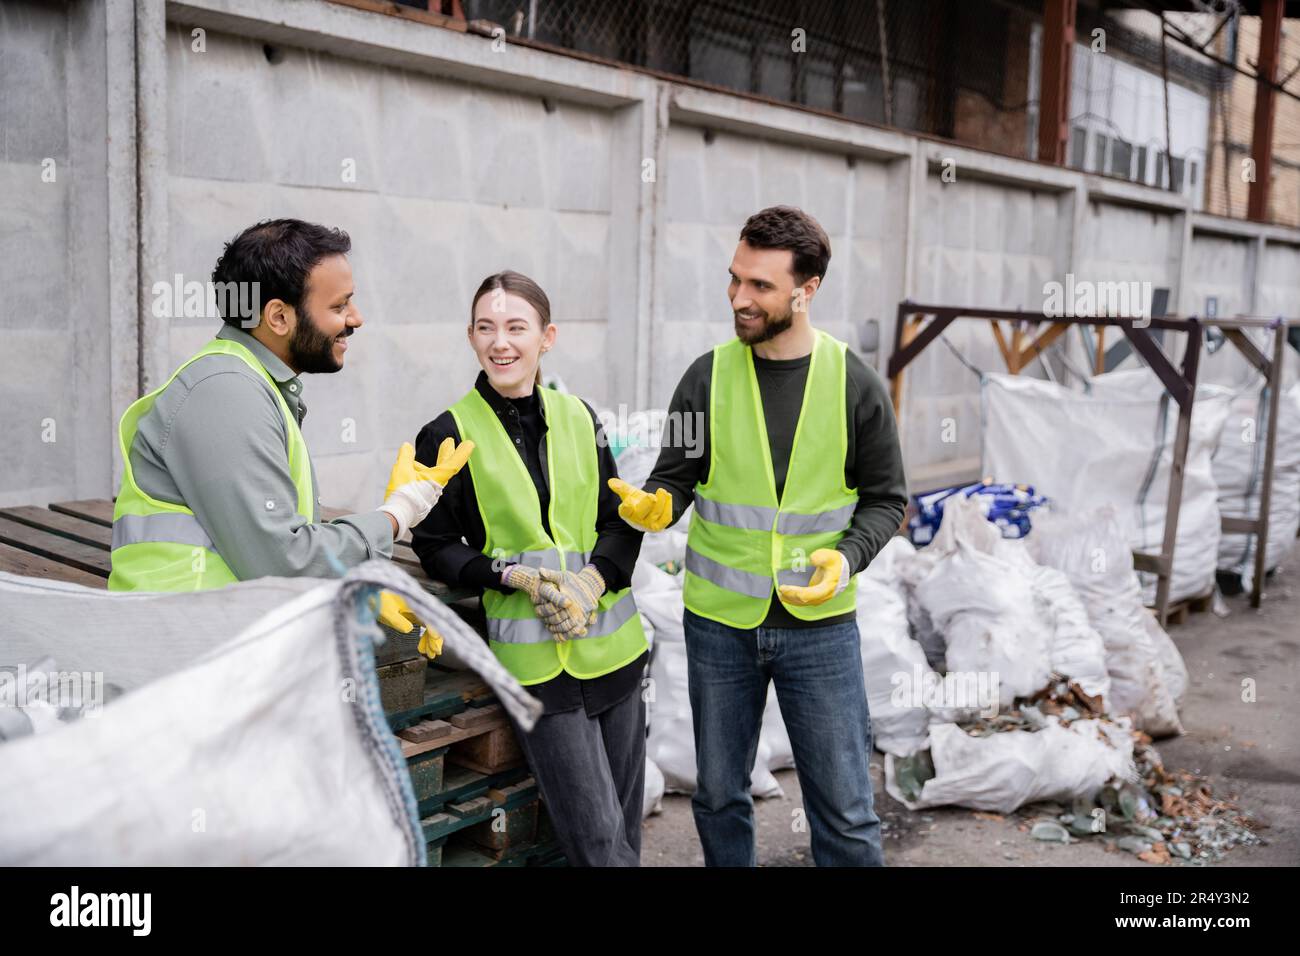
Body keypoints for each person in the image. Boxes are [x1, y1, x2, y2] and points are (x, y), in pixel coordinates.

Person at [609, 205, 908, 866]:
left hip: (821, 627)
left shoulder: (855, 385)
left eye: (760, 287)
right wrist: (658, 505)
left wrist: (848, 555)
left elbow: (889, 500)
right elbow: (675, 475)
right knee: (718, 797)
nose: (739, 298)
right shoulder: (705, 377)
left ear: (807, 290)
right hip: (719, 626)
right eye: (735, 279)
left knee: (846, 811)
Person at [109, 218, 469, 645]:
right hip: (187, 659)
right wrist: (399, 513)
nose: (356, 318)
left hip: (210, 649)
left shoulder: (250, 383)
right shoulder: (226, 392)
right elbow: (285, 561)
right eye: (339, 306)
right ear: (278, 316)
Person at [411, 270, 649, 866]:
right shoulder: (446, 434)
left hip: (614, 652)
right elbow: (435, 544)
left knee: (625, 829)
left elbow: (620, 520)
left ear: (547, 337)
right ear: (470, 337)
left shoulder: (579, 416)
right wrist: (511, 576)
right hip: (537, 669)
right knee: (594, 837)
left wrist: (594, 582)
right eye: (487, 329)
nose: (501, 343)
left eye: (517, 327)